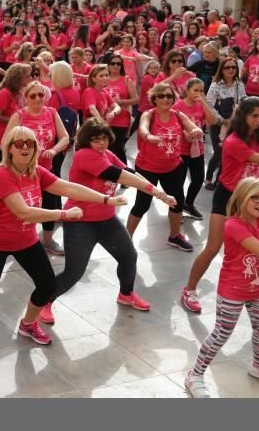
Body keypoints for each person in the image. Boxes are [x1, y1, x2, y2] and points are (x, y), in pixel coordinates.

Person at [0, 125, 126, 360]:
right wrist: (63, 214)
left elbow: (69, 187)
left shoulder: (37, 172)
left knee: (47, 285)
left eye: (29, 143)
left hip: (26, 240)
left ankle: (28, 323)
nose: (24, 147)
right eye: (18, 143)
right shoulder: (2, 174)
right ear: (8, 149)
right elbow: (24, 213)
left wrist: (105, 199)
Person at [38, 118, 176, 325]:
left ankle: (126, 294)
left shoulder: (107, 154)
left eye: (104, 138)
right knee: (74, 272)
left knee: (128, 256)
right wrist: (158, 193)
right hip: (80, 222)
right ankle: (44, 302)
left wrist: (159, 193)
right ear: (86, 140)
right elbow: (119, 176)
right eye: (95, 139)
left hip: (107, 220)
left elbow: (130, 173)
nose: (101, 143)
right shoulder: (84, 155)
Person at [182, 97, 259, 313]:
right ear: (243, 116)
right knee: (213, 247)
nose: (258, 120)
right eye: (253, 116)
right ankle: (189, 289)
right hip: (228, 198)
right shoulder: (234, 141)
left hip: (252, 198)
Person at [185, 178, 259, 398]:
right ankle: (195, 374)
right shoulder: (234, 225)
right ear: (241, 198)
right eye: (255, 198)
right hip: (233, 290)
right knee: (221, 334)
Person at [127, 82, 202, 252]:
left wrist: (196, 131)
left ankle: (175, 236)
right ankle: (126, 238)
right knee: (142, 204)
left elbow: (192, 127)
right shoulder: (149, 114)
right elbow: (143, 128)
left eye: (169, 96)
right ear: (154, 98)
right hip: (147, 168)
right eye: (161, 96)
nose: (166, 99)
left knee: (177, 203)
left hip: (172, 167)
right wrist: (148, 136)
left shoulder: (178, 115)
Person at [6, 80, 70, 255]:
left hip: (46, 169)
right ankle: (20, 239)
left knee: (48, 204)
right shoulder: (19, 116)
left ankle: (47, 240)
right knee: (23, 206)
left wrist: (53, 149)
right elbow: (5, 142)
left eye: (41, 94)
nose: (37, 98)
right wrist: (23, 156)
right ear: (26, 98)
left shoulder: (51, 113)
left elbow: (65, 137)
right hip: (23, 171)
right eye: (33, 95)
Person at [173, 78, 218, 220]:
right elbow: (172, 125)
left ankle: (189, 204)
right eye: (195, 90)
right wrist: (185, 134)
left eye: (201, 90)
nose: (198, 93)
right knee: (178, 182)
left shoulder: (201, 105)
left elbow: (213, 121)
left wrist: (203, 102)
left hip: (197, 148)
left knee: (198, 179)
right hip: (181, 149)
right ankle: (176, 210)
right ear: (187, 90)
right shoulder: (178, 106)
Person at [204, 56, 247, 189]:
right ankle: (209, 178)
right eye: (227, 67)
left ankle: (220, 179)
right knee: (218, 152)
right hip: (218, 123)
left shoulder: (239, 85)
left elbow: (244, 101)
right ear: (221, 69)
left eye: (233, 67)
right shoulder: (216, 85)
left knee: (228, 153)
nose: (231, 70)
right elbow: (209, 105)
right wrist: (223, 120)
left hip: (235, 123)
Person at [0, 63, 31, 175]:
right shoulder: (6, 93)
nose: (30, 78)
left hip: (6, 135)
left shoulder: (18, 92)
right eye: (27, 76)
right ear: (19, 77)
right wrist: (16, 120)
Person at [103, 51, 137, 163]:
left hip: (121, 118)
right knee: (106, 148)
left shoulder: (127, 79)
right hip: (104, 118)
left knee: (117, 147)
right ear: (108, 65)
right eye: (113, 63)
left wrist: (121, 102)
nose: (116, 66)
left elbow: (136, 99)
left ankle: (125, 173)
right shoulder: (103, 78)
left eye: (118, 64)